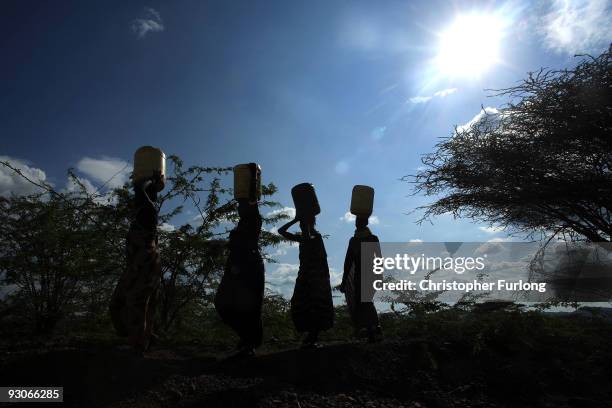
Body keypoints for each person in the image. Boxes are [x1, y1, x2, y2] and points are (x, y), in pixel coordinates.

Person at [109, 171, 163, 352]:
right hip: (139, 267)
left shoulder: (148, 211)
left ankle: (139, 343)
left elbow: (138, 188)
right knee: (124, 304)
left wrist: (149, 178)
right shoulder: (143, 214)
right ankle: (145, 337)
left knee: (135, 305)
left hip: (145, 267)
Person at [214, 167, 265, 358]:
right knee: (225, 303)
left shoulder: (253, 219)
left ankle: (249, 342)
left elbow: (245, 245)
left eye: (243, 203)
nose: (239, 206)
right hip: (237, 268)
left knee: (248, 307)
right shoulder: (244, 222)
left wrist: (252, 180)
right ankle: (247, 339)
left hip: (248, 267)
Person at [279, 214, 334, 348]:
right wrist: (296, 219)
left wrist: (306, 223)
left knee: (315, 305)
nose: (301, 227)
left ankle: (313, 336)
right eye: (301, 225)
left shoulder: (316, 237)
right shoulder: (303, 238)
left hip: (316, 277)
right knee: (300, 303)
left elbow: (312, 241)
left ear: (310, 224)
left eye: (303, 225)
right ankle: (310, 335)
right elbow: (281, 231)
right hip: (304, 275)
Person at [339, 215, 382, 343]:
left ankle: (373, 330)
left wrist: (380, 276)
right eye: (357, 220)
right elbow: (348, 262)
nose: (357, 223)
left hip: (371, 275)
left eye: (360, 220)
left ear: (365, 222)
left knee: (366, 301)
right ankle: (372, 331)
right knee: (362, 302)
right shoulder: (353, 240)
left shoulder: (373, 238)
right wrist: (344, 280)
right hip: (359, 276)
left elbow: (379, 259)